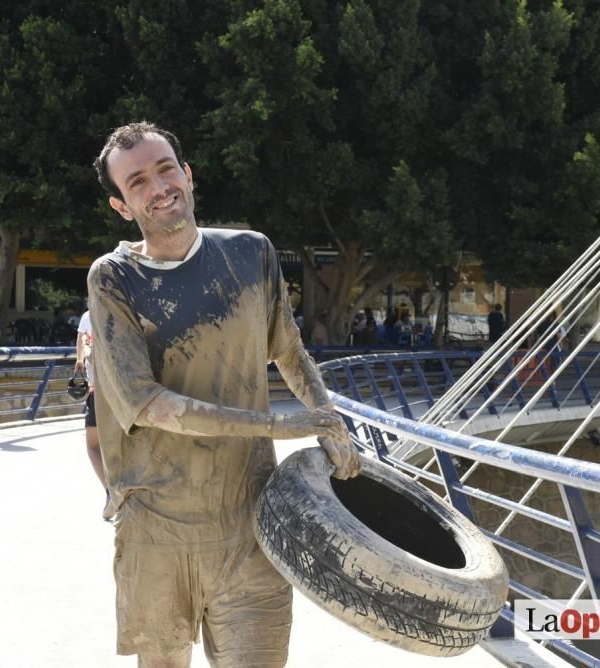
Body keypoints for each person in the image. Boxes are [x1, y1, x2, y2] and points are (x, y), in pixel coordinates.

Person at [90, 121, 360, 666]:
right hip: (155, 530)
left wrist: (326, 416)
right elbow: (149, 405)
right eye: (137, 181)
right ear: (122, 205)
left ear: (187, 175)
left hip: (251, 525)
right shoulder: (113, 279)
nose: (158, 186)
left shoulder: (251, 254)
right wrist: (282, 427)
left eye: (166, 169)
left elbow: (289, 351)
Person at [74, 308, 107, 497]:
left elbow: (90, 353)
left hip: (99, 392)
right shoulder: (124, 308)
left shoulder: (89, 315)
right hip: (126, 393)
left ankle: (110, 491)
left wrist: (85, 349)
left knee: (93, 446)